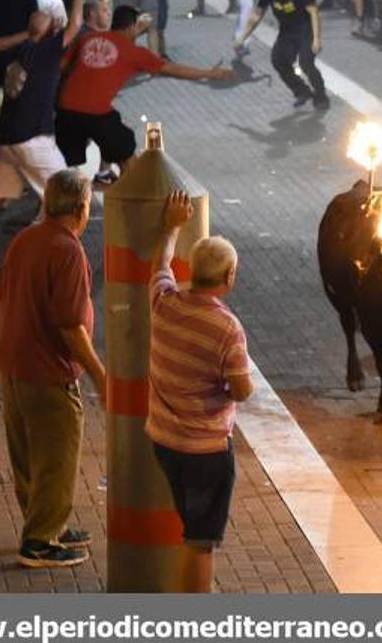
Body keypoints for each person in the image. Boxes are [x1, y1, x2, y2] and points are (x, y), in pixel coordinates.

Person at [0, 168, 104, 568]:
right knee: (57, 457)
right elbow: (71, 325)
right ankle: (40, 542)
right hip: (47, 372)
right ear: (80, 207)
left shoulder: (25, 239)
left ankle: (44, 525)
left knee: (28, 455)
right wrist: (100, 375)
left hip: (13, 363)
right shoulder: (67, 250)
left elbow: (2, 296)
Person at [147, 190, 252, 593]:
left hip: (165, 442)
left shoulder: (165, 302)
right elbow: (241, 390)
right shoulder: (226, 329)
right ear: (229, 278)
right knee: (201, 542)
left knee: (192, 533)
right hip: (205, 451)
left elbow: (160, 264)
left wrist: (172, 225)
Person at [0, 0, 84, 273]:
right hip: (33, 139)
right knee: (69, 194)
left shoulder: (17, 53)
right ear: (48, 31)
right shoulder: (47, 51)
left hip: (9, 141)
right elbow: (75, 25)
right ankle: (56, 260)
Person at [55, 5, 232, 178]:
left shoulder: (87, 38)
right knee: (128, 159)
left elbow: (61, 66)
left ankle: (52, 202)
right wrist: (209, 73)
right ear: (133, 26)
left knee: (66, 166)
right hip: (97, 113)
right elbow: (172, 69)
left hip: (64, 108)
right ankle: (126, 199)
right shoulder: (135, 52)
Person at [234, 0, 329, 109]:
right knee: (278, 60)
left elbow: (313, 13)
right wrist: (242, 37)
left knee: (306, 63)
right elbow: (257, 16)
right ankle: (302, 91)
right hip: (287, 32)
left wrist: (317, 39)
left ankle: (321, 95)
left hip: (305, 30)